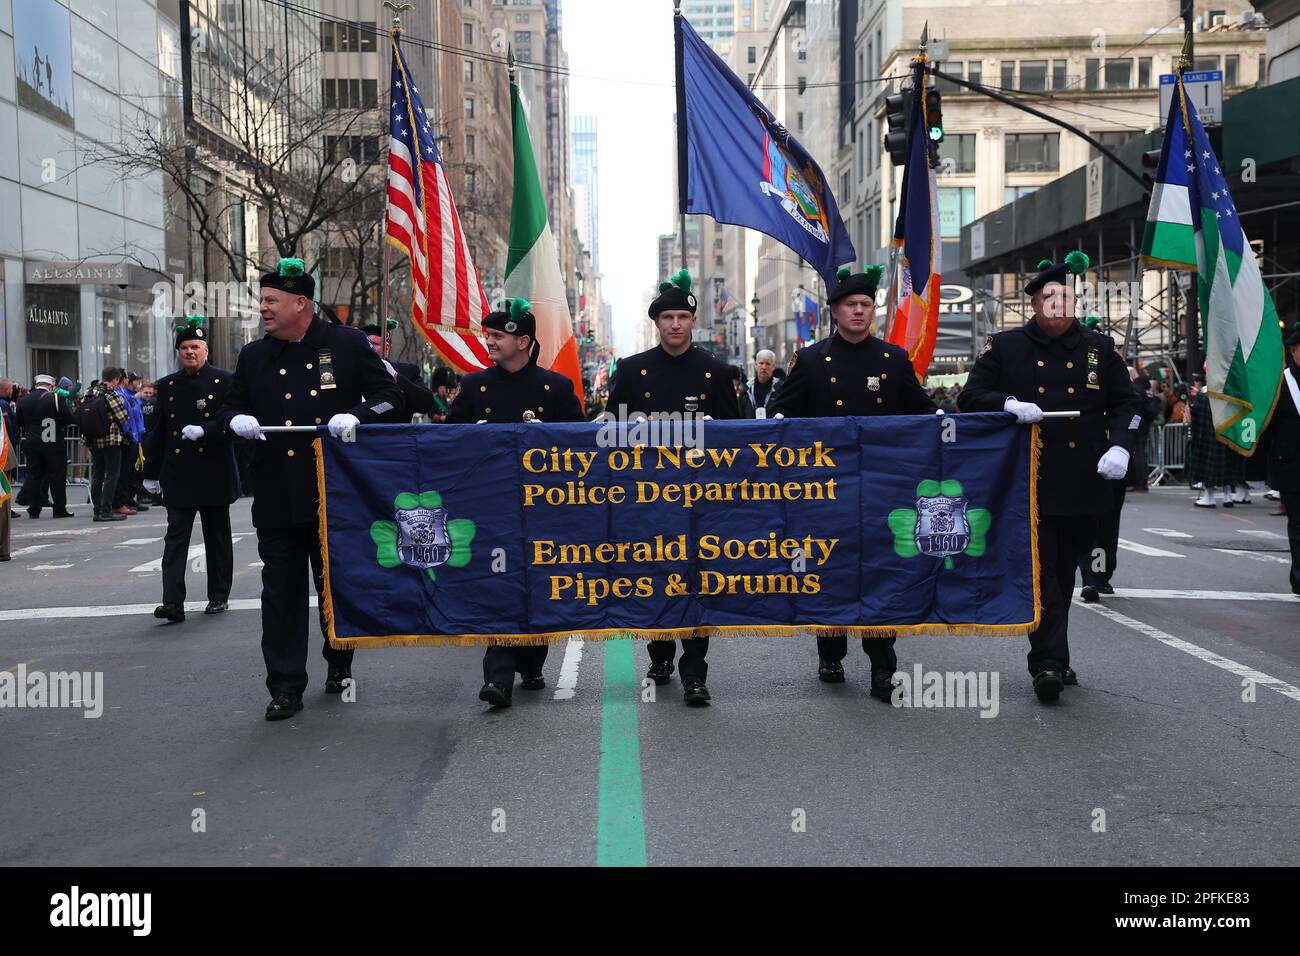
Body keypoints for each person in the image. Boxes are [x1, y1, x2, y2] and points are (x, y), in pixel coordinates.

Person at [217, 258, 403, 721]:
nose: (263, 308)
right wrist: (234, 420)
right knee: (279, 592)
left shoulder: (345, 344)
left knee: (332, 586)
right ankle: (284, 685)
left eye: (271, 301)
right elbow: (229, 407)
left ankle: (339, 658)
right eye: (262, 300)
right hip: (277, 493)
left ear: (300, 303)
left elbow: (390, 396)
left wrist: (357, 414)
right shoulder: (253, 355)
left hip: (334, 494)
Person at [958, 252, 1141, 702]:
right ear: (1035, 305)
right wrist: (1007, 404)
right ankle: (1048, 663)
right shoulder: (1005, 347)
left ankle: (1055, 654)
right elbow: (970, 397)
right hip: (1028, 482)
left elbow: (1131, 403)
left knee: (1063, 572)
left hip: (1085, 479)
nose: (1058, 305)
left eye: (1066, 298)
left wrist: (1121, 443)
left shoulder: (1099, 348)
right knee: (1042, 574)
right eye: (1049, 298)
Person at [770, 264, 936, 698]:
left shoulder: (894, 360)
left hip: (882, 489)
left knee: (881, 574)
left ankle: (883, 667)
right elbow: (779, 415)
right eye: (851, 305)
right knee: (831, 569)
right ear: (836, 311)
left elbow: (924, 412)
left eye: (865, 304)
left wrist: (947, 422)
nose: (859, 311)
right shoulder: (810, 360)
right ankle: (830, 649)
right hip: (826, 490)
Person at [607, 270, 740, 705]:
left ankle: (695, 673)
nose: (676, 324)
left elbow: (736, 438)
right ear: (657, 323)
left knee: (697, 583)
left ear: (693, 321)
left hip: (702, 499)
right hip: (646, 497)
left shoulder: (716, 373)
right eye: (668, 317)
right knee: (655, 577)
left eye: (683, 316)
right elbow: (610, 434)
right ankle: (660, 653)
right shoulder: (631, 371)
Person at [445, 298, 585, 708]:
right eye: (489, 334)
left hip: (543, 504)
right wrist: (474, 435)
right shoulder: (475, 387)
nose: (489, 340)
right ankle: (498, 677)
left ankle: (532, 658)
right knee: (499, 585)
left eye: (498, 335)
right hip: (491, 503)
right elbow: (448, 442)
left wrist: (551, 437)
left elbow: (579, 446)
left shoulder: (555, 388)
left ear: (523, 341)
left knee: (536, 584)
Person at [143, 317, 239, 624]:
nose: (190, 352)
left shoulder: (224, 381)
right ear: (178, 352)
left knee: (217, 537)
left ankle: (219, 595)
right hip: (179, 472)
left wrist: (206, 430)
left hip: (213, 469)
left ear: (206, 350)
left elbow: (233, 422)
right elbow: (159, 431)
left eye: (195, 347)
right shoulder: (167, 385)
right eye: (184, 348)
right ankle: (172, 601)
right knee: (175, 539)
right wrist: (150, 472)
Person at [1266, 323, 1300, 594]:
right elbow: (1268, 426)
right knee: (1298, 524)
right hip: (1293, 464)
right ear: (1293, 350)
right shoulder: (1280, 382)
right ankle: (1299, 578)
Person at [15, 374, 74, 520]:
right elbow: (68, 418)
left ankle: (34, 508)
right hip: (53, 443)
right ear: (51, 386)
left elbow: (20, 422)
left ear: (36, 384)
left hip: (32, 443)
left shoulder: (23, 400)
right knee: (57, 476)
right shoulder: (55, 398)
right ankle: (59, 509)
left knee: (34, 475)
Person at [83, 368, 131, 522]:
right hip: (111, 439)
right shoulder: (111, 394)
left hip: (92, 438)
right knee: (112, 474)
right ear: (116, 380)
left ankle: (97, 510)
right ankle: (106, 510)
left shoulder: (88, 391)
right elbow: (122, 417)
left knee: (97, 475)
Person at [749, 349, 780, 414]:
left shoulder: (780, 388)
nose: (764, 367)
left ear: (773, 367)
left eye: (768, 364)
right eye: (761, 363)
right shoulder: (747, 389)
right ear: (755, 365)